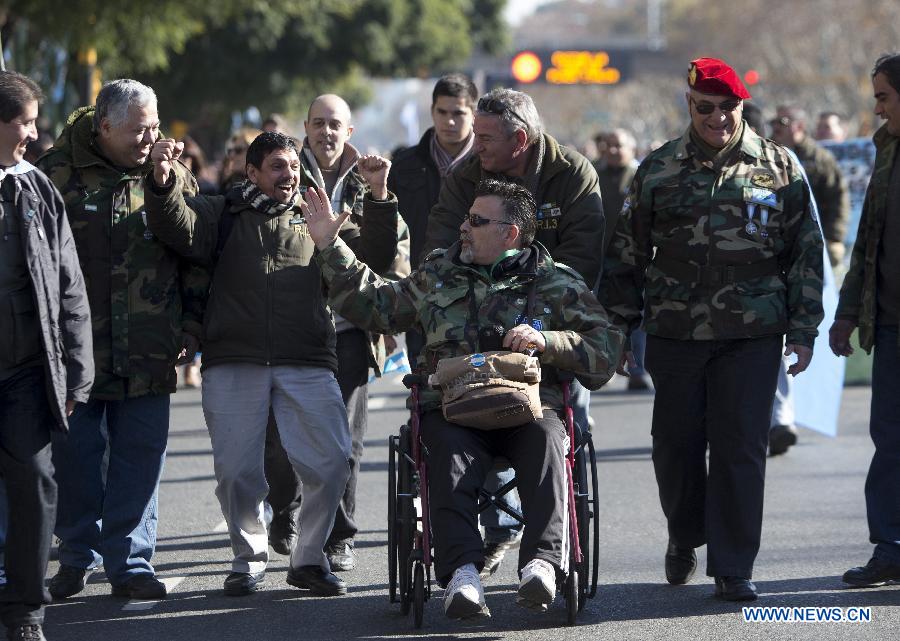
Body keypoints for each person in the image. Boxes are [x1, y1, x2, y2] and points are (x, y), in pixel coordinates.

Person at [303, 177, 623, 619]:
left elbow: (606, 351)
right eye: (465, 218)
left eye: (476, 221)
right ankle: (462, 573)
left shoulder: (557, 282)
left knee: (550, 442)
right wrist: (329, 244)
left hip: (528, 409)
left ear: (509, 233)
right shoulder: (437, 274)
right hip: (451, 410)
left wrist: (548, 340)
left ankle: (542, 565)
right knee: (447, 454)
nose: (463, 228)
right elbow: (375, 304)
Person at [598, 57, 825, 601]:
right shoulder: (655, 169)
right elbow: (627, 254)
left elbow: (805, 251)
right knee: (673, 446)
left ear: (742, 107)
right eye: (706, 107)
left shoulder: (780, 166)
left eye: (729, 108)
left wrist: (805, 328)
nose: (718, 118)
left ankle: (733, 565)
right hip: (675, 327)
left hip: (754, 329)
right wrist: (619, 330)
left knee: (741, 447)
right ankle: (685, 533)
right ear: (689, 105)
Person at [144, 131, 400, 597]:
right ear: (254, 172)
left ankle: (307, 559)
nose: (290, 175)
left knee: (331, 464)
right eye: (278, 167)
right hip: (233, 359)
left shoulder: (316, 215)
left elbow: (377, 259)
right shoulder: (222, 213)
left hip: (307, 358)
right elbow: (175, 224)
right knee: (238, 472)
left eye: (294, 167)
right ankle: (248, 559)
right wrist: (162, 184)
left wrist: (380, 197)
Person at [423, 87, 606, 576]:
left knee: (560, 421)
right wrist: (451, 301)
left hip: (546, 320)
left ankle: (552, 549)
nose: (474, 144)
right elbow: (442, 244)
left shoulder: (571, 175)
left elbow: (582, 265)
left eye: (484, 137)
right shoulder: (468, 176)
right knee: (458, 418)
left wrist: (540, 330)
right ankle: (489, 536)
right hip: (477, 323)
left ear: (519, 139)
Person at [38, 79, 205, 602]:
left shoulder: (172, 176)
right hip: (76, 350)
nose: (150, 138)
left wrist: (193, 326)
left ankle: (131, 561)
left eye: (155, 126)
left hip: (150, 344)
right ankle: (75, 556)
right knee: (76, 458)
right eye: (139, 129)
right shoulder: (55, 174)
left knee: (140, 456)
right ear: (104, 126)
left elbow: (194, 254)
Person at [260, 94, 410, 572]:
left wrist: (382, 195)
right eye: (318, 123)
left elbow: (387, 258)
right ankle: (284, 511)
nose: (326, 132)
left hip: (349, 328)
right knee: (282, 438)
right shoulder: (283, 172)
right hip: (291, 327)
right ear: (306, 127)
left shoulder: (371, 182)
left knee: (345, 441)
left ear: (349, 131)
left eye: (336, 125)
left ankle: (340, 537)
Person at [0, 69, 93, 641]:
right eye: (25, 122)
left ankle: (25, 612)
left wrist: (76, 369)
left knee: (35, 479)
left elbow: (68, 284)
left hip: (25, 374)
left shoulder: (37, 189)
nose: (33, 135)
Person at [830, 52, 900, 588]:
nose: (876, 108)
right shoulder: (887, 148)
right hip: (893, 325)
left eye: (883, 96)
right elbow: (868, 244)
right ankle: (891, 548)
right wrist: (846, 314)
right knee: (891, 440)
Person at [388, 73, 478, 366]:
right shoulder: (404, 167)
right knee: (425, 394)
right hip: (423, 295)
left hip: (483, 298)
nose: (449, 121)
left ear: (473, 114)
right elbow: (388, 235)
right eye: (442, 112)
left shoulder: (492, 164)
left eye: (458, 113)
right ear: (432, 112)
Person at [593, 128, 650, 391]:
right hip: (599, 256)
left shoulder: (643, 175)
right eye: (610, 145)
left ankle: (637, 369)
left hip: (633, 257)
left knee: (635, 315)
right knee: (599, 313)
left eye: (620, 146)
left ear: (632, 148)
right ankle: (603, 366)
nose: (614, 150)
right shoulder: (593, 174)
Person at [771, 105, 850, 269]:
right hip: (778, 242)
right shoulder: (768, 154)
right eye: (773, 122)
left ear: (799, 126)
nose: (776, 127)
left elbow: (837, 197)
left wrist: (834, 238)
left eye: (782, 122)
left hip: (815, 240)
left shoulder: (819, 158)